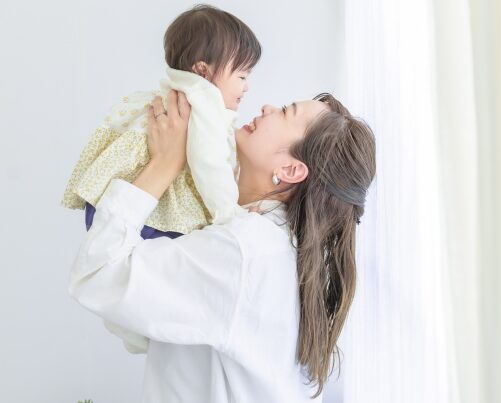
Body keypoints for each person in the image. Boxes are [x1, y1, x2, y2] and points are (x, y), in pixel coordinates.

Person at [68, 89, 376, 402]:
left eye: (285, 112)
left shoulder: (243, 251)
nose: (268, 107)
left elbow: (97, 274)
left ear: (291, 170)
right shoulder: (279, 248)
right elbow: (144, 319)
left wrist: (165, 163)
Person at [61, 4, 261, 239]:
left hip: (116, 199)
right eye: (242, 76)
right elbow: (210, 162)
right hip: (155, 216)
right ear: (202, 71)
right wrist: (230, 214)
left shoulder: (164, 97)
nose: (246, 87)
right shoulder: (202, 100)